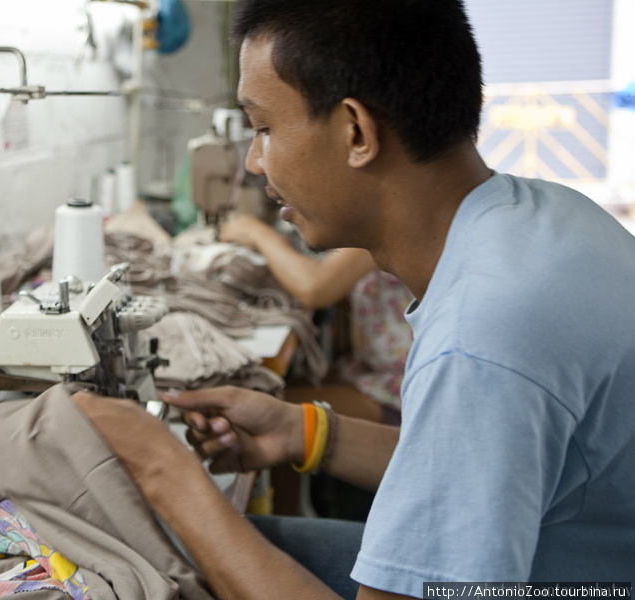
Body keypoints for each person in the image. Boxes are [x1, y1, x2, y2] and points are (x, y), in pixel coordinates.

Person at [72, 0, 635, 598]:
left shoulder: (483, 338)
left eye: (263, 129)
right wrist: (305, 433)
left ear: (356, 132)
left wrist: (164, 472)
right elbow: (471, 470)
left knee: (161, 550)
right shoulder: (551, 215)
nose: (255, 162)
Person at [220, 214, 413, 424]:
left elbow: (315, 287)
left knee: (244, 408)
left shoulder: (392, 218)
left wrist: (258, 233)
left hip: (401, 388)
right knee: (253, 392)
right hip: (374, 370)